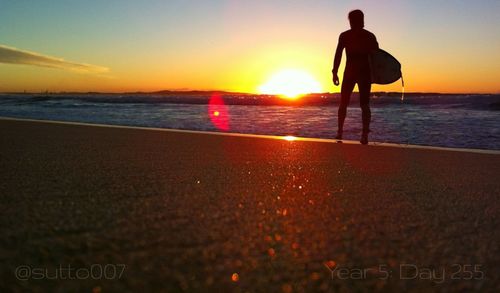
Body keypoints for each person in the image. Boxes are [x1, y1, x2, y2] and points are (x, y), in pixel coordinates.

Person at [332, 9, 379, 144]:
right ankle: (363, 135)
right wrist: (334, 71)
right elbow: (377, 58)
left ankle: (340, 133)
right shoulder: (369, 36)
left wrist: (334, 72)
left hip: (352, 72)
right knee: (362, 104)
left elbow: (338, 55)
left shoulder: (346, 36)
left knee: (345, 103)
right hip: (362, 73)